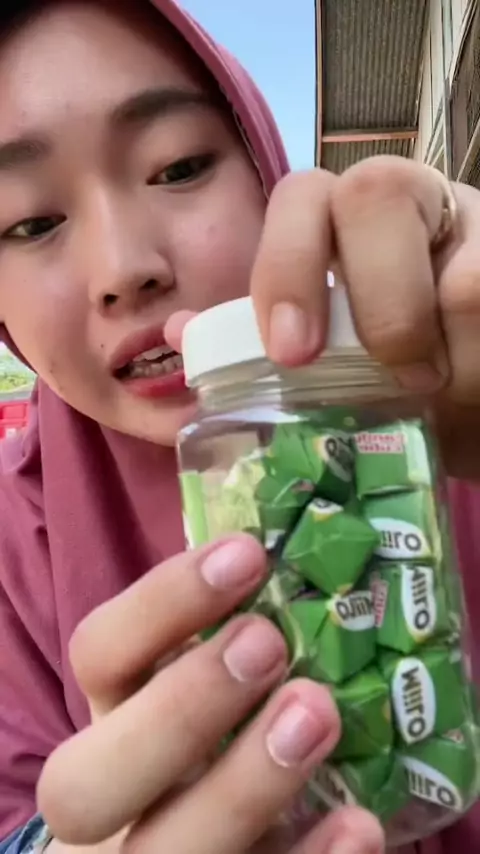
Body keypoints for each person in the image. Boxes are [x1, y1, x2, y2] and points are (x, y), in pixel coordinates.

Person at [0, 1, 479, 852]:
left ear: (267, 173)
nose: (124, 269)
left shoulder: (433, 413)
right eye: (31, 223)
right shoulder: (11, 543)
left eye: (179, 167)